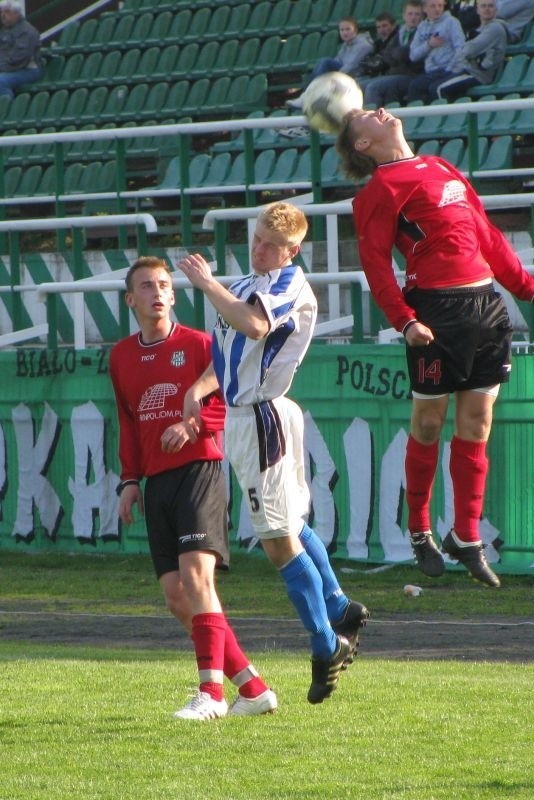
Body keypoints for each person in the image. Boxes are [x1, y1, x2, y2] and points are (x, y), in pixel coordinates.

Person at [335, 108, 534, 587]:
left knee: (477, 424)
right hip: (434, 314)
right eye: (365, 116)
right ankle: (420, 530)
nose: (380, 110)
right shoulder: (378, 191)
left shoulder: (442, 166)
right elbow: (376, 267)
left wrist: (531, 291)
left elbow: (487, 236)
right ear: (362, 145)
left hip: (485, 305)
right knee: (428, 423)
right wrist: (405, 321)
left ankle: (466, 536)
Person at [177, 203, 369, 704]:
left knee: (278, 542)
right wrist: (198, 389)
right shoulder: (245, 281)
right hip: (246, 417)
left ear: (292, 249)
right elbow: (231, 354)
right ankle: (339, 606)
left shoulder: (288, 285)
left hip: (262, 418)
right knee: (291, 524)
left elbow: (255, 327)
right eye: (256, 238)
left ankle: (327, 642)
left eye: (268, 244)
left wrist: (208, 285)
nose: (258, 249)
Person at [110, 256, 277, 720]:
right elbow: (127, 421)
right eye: (146, 286)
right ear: (131, 299)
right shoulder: (120, 356)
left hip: (199, 471)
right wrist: (129, 480)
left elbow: (232, 398)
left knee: (197, 581)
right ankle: (253, 686)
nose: (157, 292)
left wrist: (195, 425)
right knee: (176, 597)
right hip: (156, 482)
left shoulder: (202, 344)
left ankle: (212, 695)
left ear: (174, 294)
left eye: (164, 284)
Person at [286, 17, 373, 109]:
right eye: (342, 30)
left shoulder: (363, 45)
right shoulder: (346, 44)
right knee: (319, 67)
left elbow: (351, 66)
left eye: (348, 29)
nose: (344, 32)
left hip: (355, 74)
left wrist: (333, 76)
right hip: (343, 71)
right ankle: (307, 96)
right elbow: (338, 60)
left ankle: (306, 97)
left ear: (355, 30)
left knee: (325, 62)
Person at [435, 0, 509, 101]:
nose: (487, 9)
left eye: (490, 6)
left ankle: (451, 116)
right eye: (483, 6)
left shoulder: (495, 28)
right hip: (468, 70)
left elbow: (469, 50)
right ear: (477, 10)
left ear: (496, 10)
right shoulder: (479, 29)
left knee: (440, 89)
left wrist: (462, 51)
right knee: (427, 85)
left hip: (480, 75)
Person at [364, 2, 425, 108]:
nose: (413, 18)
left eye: (417, 14)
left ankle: (373, 122)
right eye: (410, 14)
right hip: (394, 73)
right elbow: (387, 54)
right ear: (404, 15)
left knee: (373, 88)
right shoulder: (401, 32)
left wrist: (398, 54)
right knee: (360, 85)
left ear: (422, 16)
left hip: (411, 76)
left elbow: (408, 55)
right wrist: (399, 54)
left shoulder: (423, 32)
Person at [405, 0, 466, 104]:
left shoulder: (451, 22)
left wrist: (451, 69)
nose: (437, 9)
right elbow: (413, 55)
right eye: (433, 6)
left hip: (448, 69)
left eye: (440, 5)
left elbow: (461, 48)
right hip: (431, 72)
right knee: (415, 86)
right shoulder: (422, 27)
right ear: (425, 8)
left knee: (433, 88)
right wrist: (429, 44)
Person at [0, 0, 43, 99]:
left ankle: (7, 110)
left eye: (6, 12)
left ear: (16, 13)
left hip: (28, 70)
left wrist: (2, 68)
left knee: (0, 81)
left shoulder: (27, 31)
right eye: (1, 12)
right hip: (8, 68)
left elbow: (20, 59)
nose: (3, 15)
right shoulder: (4, 31)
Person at [355, 11, 400, 92]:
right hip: (376, 75)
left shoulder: (397, 39)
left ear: (393, 25)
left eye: (384, 26)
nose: (381, 29)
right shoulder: (378, 43)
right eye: (378, 27)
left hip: (391, 74)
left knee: (359, 86)